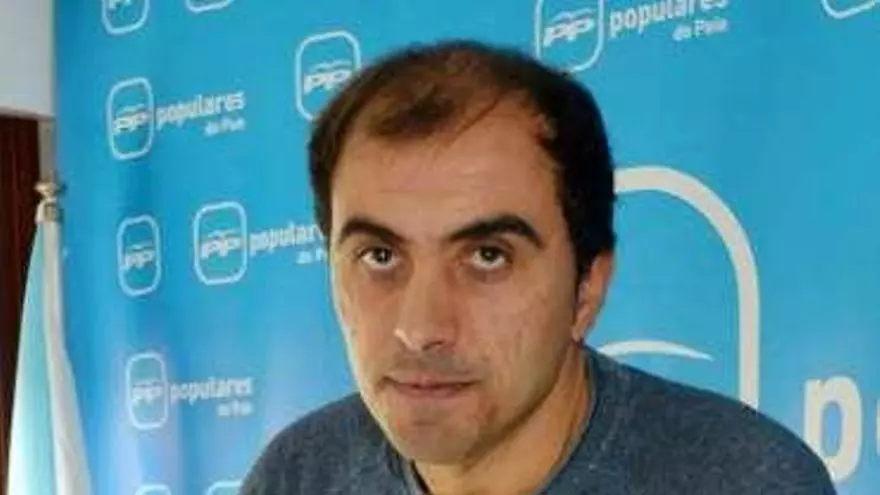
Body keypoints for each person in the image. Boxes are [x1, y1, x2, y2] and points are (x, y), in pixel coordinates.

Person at [241, 40, 835, 494]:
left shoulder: (743, 480)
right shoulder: (298, 476)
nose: (419, 329)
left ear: (588, 288)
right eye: (380, 256)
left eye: (487, 257)